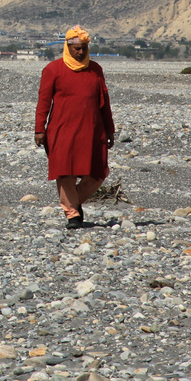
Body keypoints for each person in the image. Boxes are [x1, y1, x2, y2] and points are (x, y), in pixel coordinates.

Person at [35, 25, 115, 229]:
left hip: (92, 129)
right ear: (67, 47)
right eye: (77, 48)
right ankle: (72, 214)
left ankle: (74, 202)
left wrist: (110, 129)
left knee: (98, 172)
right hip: (62, 129)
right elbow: (44, 102)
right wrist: (39, 129)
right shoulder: (53, 70)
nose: (80, 52)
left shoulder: (96, 70)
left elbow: (104, 101)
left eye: (84, 48)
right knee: (65, 172)